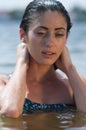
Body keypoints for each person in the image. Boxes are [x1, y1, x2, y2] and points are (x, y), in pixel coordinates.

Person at [0, 0, 86, 118]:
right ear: (22, 35)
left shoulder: (74, 85)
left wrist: (70, 68)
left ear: (66, 38)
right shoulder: (3, 84)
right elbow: (11, 112)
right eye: (41, 33)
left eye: (59, 34)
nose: (50, 42)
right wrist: (21, 63)